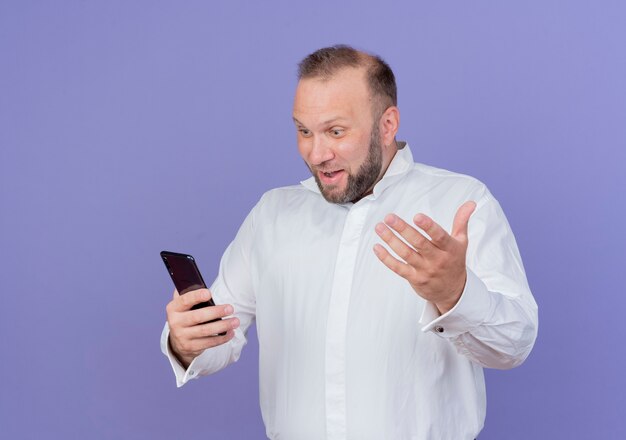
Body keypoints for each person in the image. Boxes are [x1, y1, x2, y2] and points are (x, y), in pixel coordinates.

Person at [161, 45, 538, 440]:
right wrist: (186, 341)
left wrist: (455, 294)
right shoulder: (272, 215)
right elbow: (219, 337)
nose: (316, 153)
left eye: (335, 131)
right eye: (303, 131)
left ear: (387, 124)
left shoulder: (461, 202)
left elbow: (513, 346)